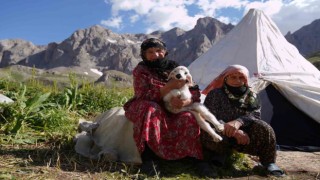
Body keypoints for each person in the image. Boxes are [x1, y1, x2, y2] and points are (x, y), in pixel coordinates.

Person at [123, 38, 215, 177]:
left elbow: (194, 90)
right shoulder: (141, 70)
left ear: (165, 52)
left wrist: (186, 101)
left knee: (189, 116)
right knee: (151, 109)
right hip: (147, 105)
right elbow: (142, 95)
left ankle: (194, 158)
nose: (156, 55)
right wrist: (168, 87)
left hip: (174, 108)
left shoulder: (177, 68)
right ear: (144, 55)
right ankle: (149, 159)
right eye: (150, 52)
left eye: (159, 51)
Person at [201, 64, 285, 177]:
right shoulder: (215, 94)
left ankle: (268, 162)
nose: (237, 80)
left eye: (241, 77)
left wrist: (238, 122)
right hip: (221, 129)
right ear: (225, 78)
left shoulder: (251, 95)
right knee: (208, 130)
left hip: (244, 135)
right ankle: (219, 154)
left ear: (245, 79)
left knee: (265, 127)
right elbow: (209, 116)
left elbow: (255, 115)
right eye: (233, 77)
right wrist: (234, 131)